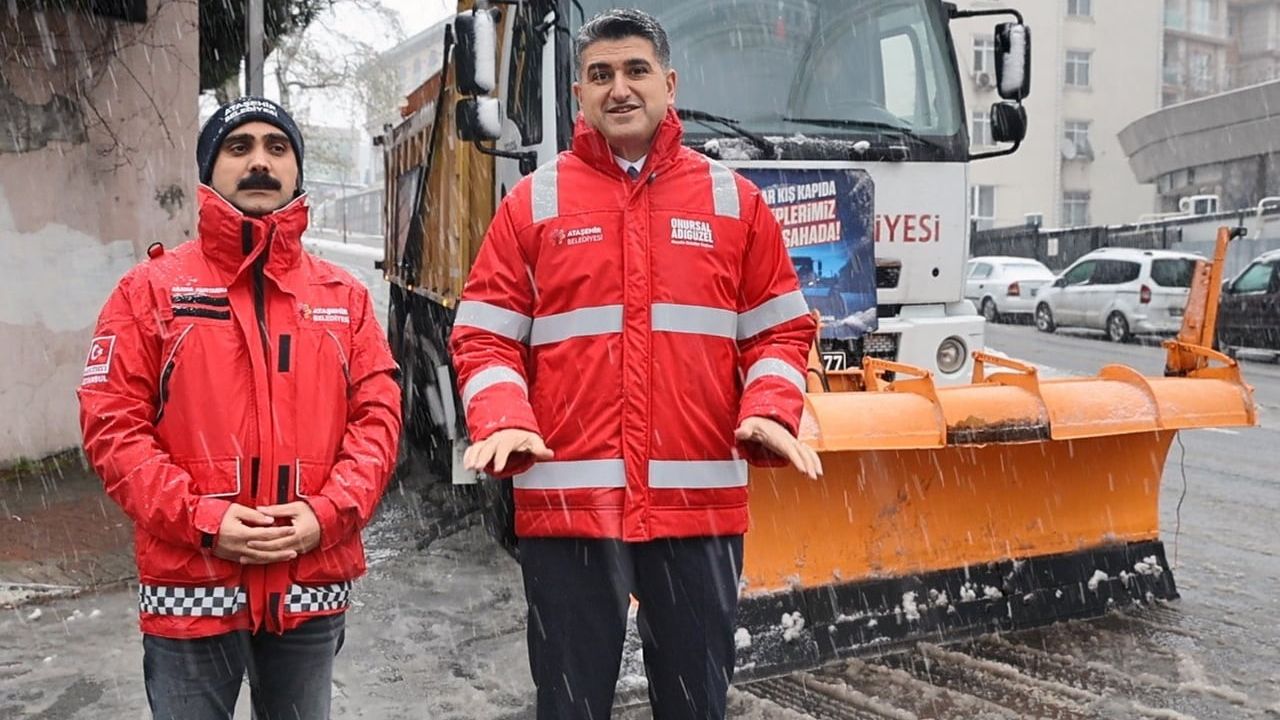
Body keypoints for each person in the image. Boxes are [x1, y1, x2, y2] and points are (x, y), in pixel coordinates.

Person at [449, 9, 822, 719]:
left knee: (695, 704)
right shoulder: (532, 204)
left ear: (669, 84)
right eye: (600, 74)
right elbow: (485, 336)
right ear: (579, 94)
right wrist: (501, 416)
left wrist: (771, 408)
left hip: (697, 509)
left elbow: (778, 330)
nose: (619, 88)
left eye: (635, 70)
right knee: (569, 705)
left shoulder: (734, 203)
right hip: (569, 508)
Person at [76, 96, 401, 719]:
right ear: (210, 169)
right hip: (190, 586)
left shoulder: (345, 298)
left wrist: (326, 514)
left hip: (308, 585)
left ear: (296, 171)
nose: (260, 162)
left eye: (277, 148)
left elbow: (378, 422)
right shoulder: (150, 291)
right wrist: (204, 521)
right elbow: (112, 427)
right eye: (239, 146)